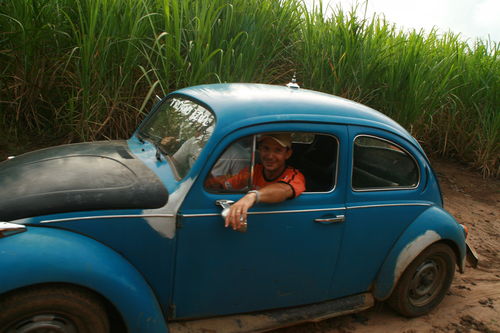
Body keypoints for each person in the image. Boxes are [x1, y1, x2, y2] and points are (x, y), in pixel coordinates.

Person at [208, 133, 305, 231]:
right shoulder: (254, 171)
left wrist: (252, 196)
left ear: (288, 154)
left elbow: (283, 189)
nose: (270, 156)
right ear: (260, 150)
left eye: (278, 150)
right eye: (266, 149)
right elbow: (225, 185)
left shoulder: (294, 176)